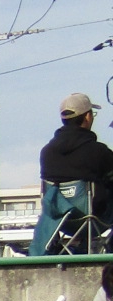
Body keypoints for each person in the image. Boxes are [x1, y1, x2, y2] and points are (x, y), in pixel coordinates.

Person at [39, 92, 113, 221]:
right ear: (88, 117)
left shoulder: (46, 152)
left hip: (60, 221)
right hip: (94, 218)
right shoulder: (98, 151)